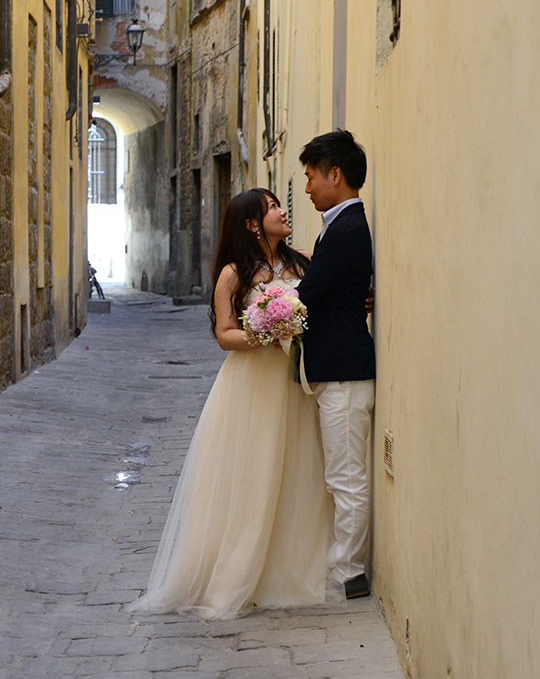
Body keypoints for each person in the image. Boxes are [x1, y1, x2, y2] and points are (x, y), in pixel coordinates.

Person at [128, 190, 333, 618]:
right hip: (251, 383)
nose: (283, 210)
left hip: (292, 382)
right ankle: (239, 571)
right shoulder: (232, 275)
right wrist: (263, 332)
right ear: (253, 224)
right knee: (253, 471)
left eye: (280, 204)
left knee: (295, 470)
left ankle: (288, 571)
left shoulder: (301, 264)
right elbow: (224, 334)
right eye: (273, 207)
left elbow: (324, 307)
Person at [296, 131, 377, 599]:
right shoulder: (339, 225)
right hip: (337, 369)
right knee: (339, 477)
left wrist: (273, 304)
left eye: (310, 177)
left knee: (346, 479)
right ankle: (345, 565)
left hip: (345, 374)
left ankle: (348, 571)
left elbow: (310, 295)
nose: (306, 188)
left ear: (335, 174)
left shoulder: (346, 228)